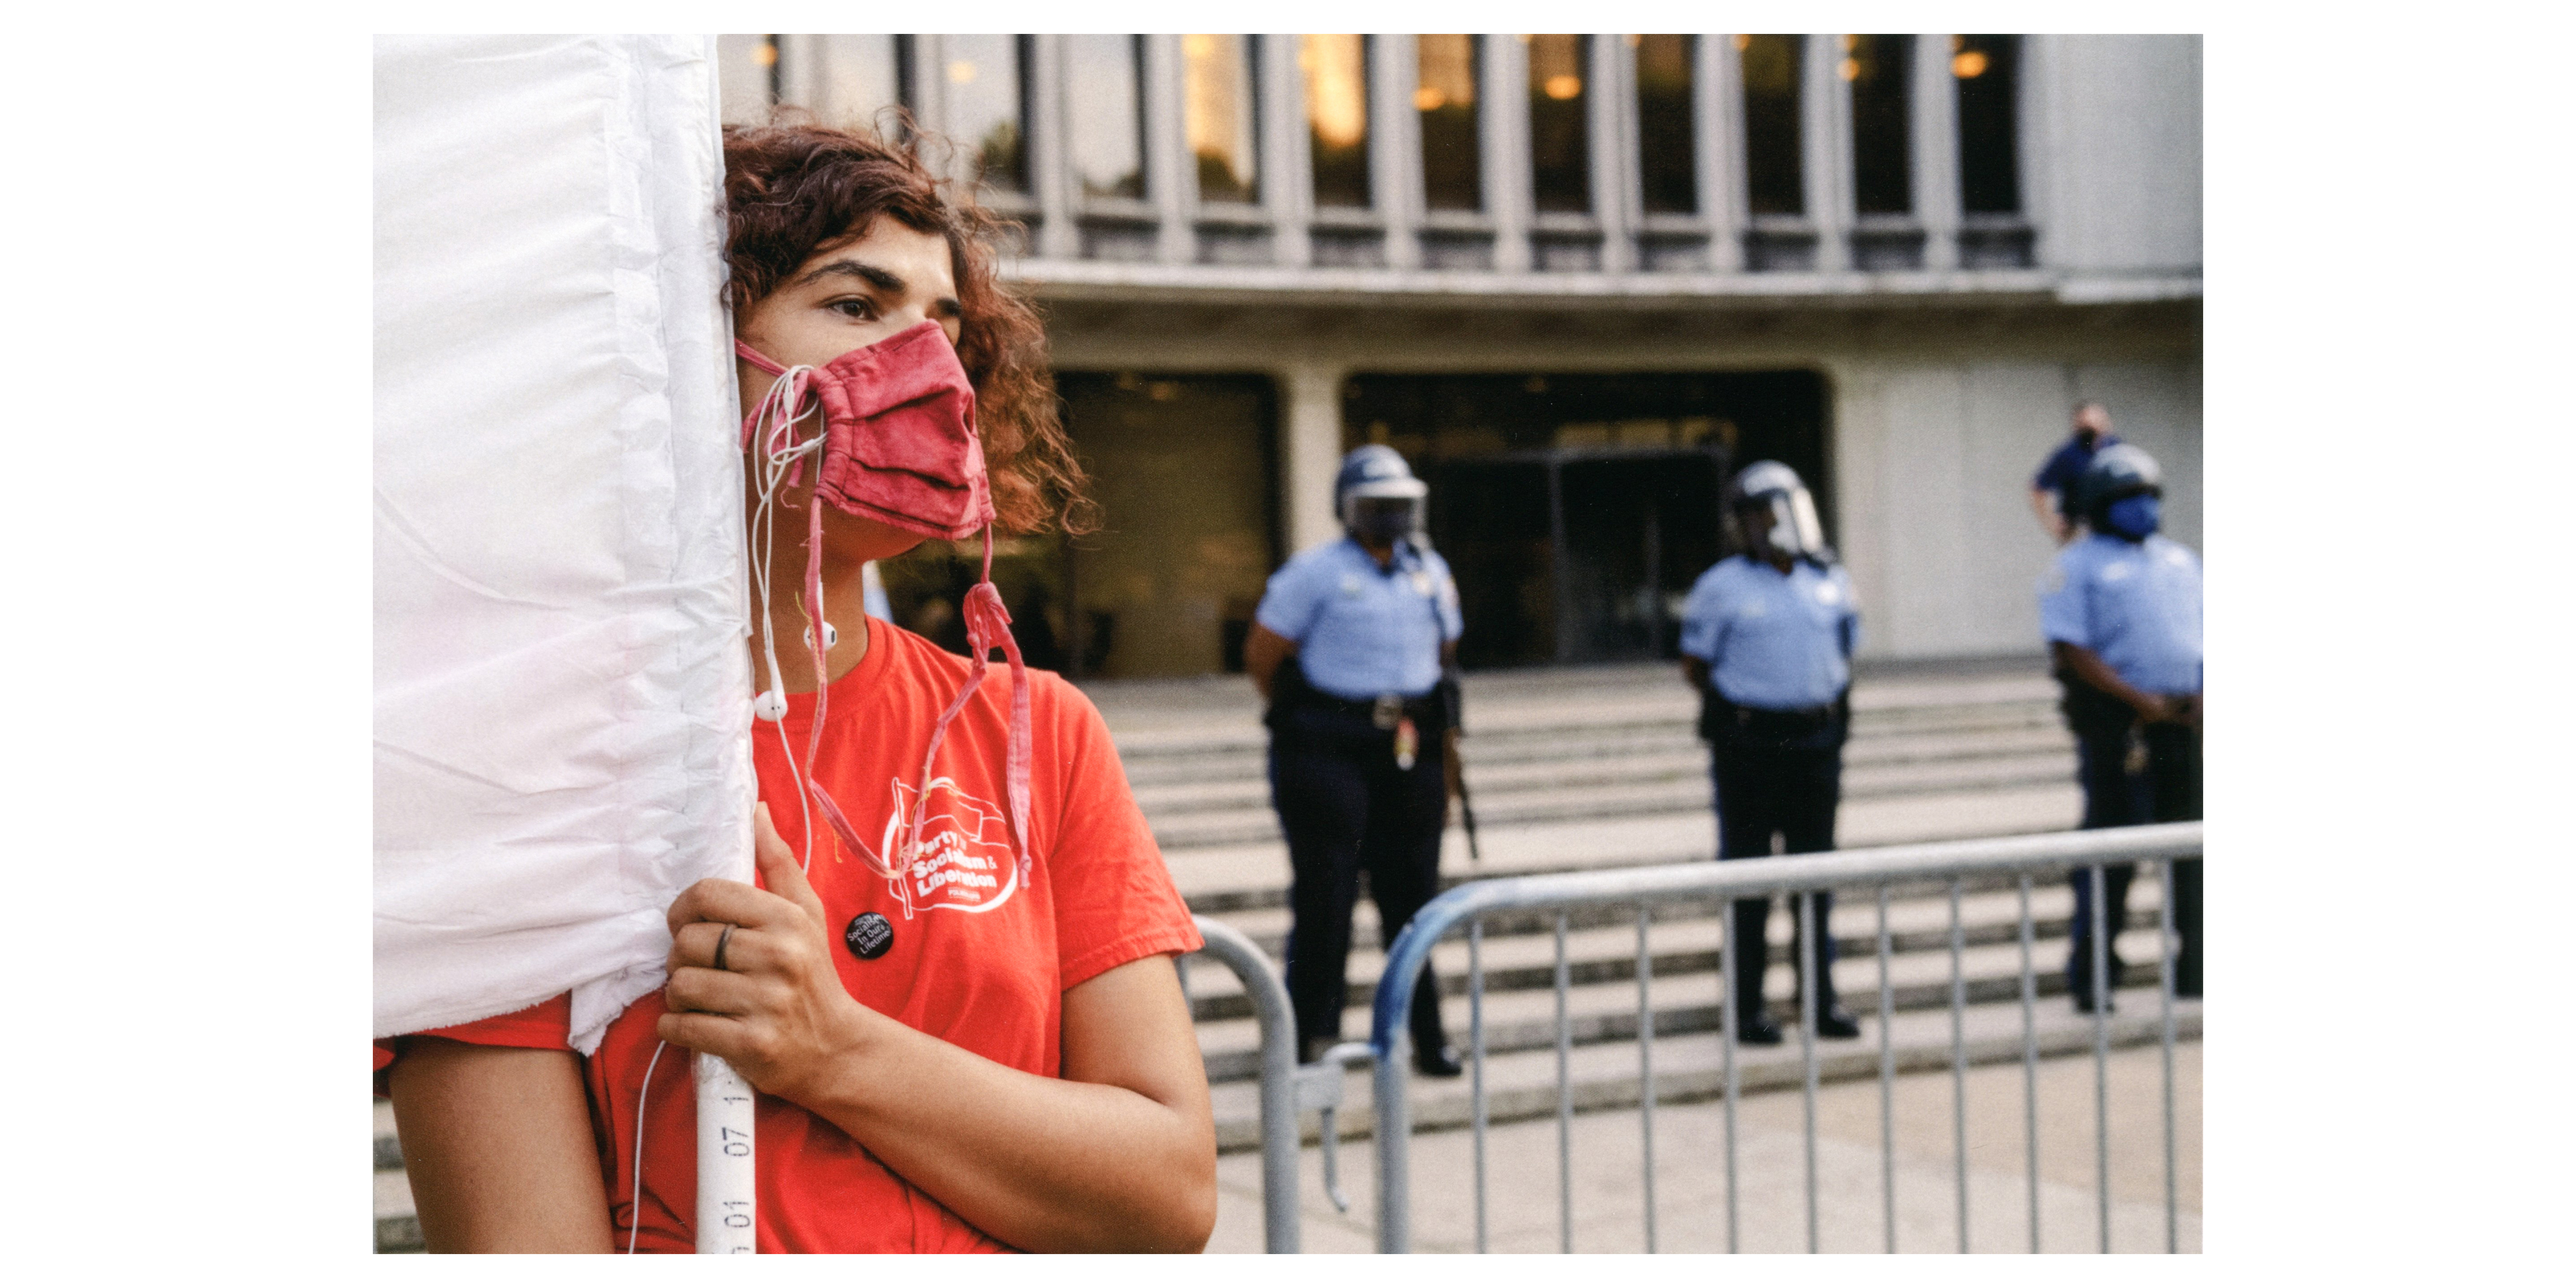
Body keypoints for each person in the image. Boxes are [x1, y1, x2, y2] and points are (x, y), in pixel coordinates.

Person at [378, 119, 1218, 1253]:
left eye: (946, 329)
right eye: (858, 307)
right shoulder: (522, 765)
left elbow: (1166, 1200)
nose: (930, 372)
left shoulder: (1038, 731)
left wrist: (838, 1051)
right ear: (678, 352)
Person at [1241, 446, 1466, 1077]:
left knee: (1414, 898)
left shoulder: (1431, 570)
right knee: (1326, 892)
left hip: (1408, 746)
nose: (1390, 516)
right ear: (1349, 508)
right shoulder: (1314, 572)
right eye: (1377, 504)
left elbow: (1445, 649)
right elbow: (1264, 654)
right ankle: (1312, 1034)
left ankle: (1426, 1034)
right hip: (1329, 746)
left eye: (1400, 504)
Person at [1678, 461, 1862, 1046]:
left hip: (1816, 740)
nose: (1776, 522)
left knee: (1817, 874)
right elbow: (1696, 666)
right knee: (1752, 875)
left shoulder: (1831, 579)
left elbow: (1843, 648)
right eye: (1763, 512)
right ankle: (1749, 1006)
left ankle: (1819, 998)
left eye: (1783, 508)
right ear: (1744, 523)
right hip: (1752, 743)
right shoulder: (1721, 585)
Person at [2039, 443, 2202, 1013]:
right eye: (2126, 498)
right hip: (2121, 731)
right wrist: (2137, 699)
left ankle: (2196, 969)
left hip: (2184, 725)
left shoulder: (2180, 561)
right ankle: (2095, 975)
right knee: (2113, 854)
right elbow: (2072, 648)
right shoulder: (2077, 565)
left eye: (2147, 496)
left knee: (2194, 852)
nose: (2141, 508)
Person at [2030, 400, 2121, 545]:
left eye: (2097, 422)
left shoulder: (2117, 449)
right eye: (2086, 425)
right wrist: (2052, 522)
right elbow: (2038, 489)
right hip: (2081, 529)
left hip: (2114, 528)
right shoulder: (2069, 454)